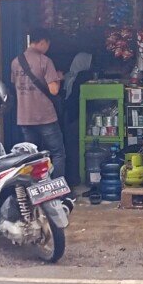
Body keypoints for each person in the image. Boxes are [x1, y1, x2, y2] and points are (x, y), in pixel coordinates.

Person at [11, 28, 66, 178]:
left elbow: (15, 84)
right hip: (45, 117)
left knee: (31, 156)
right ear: (42, 42)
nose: (47, 48)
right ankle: (57, 191)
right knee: (57, 153)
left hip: (24, 117)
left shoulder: (16, 62)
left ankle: (33, 189)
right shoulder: (45, 61)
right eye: (47, 45)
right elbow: (53, 90)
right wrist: (59, 78)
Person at [61, 52, 94, 186]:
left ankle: (72, 177)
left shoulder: (69, 75)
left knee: (71, 147)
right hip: (76, 116)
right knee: (75, 147)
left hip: (69, 115)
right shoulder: (82, 77)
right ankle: (75, 177)